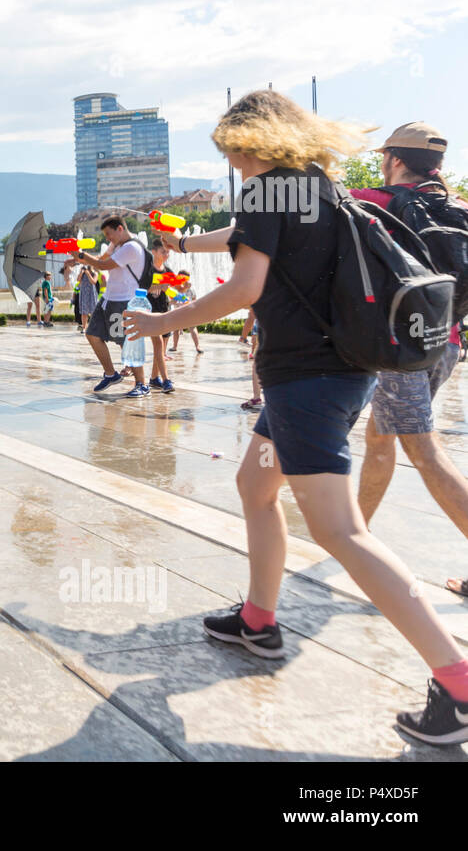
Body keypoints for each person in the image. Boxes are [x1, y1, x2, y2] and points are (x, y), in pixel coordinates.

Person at [124, 89, 468, 745]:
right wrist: (185, 240)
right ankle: (259, 620)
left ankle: (458, 681)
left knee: (340, 531)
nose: (231, 159)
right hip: (331, 373)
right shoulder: (317, 187)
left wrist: (162, 320)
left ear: (253, 140)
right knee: (255, 487)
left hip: (306, 382)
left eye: (232, 147)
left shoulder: (267, 191)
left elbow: (245, 288)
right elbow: (244, 240)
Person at [351, 122, 468, 599]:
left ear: (395, 160)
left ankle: (351, 535)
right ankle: (354, 533)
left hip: (403, 349)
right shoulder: (460, 205)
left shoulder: (374, 199)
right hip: (450, 339)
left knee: (423, 449)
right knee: (380, 436)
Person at [74, 217, 149, 396]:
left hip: (123, 301)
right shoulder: (116, 246)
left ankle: (142, 384)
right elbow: (101, 259)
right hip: (107, 299)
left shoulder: (131, 247)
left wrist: (83, 256)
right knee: (92, 334)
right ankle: (110, 374)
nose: (108, 238)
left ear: (120, 229)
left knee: (126, 342)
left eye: (109, 234)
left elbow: (103, 265)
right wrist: (77, 259)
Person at [145, 239, 175, 394]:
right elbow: (141, 288)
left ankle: (153, 378)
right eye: (163, 251)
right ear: (154, 251)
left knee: (161, 347)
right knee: (159, 346)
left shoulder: (168, 270)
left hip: (164, 311)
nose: (167, 254)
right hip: (150, 312)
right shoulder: (148, 270)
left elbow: (173, 290)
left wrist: (183, 288)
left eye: (168, 252)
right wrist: (158, 287)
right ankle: (166, 380)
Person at [75, 263, 99, 335]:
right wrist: (81, 273)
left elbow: (93, 282)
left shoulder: (95, 273)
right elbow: (78, 280)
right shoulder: (82, 273)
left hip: (91, 293)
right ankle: (84, 327)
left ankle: (93, 327)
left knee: (93, 311)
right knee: (84, 312)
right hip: (84, 293)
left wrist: (88, 274)